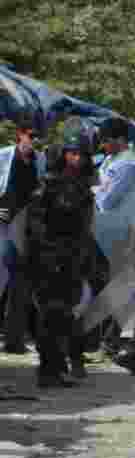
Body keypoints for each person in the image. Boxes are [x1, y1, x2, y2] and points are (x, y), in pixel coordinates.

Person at [25, 119, 96, 387]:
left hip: (73, 258)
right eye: (71, 153)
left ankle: (56, 367)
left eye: (80, 154)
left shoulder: (81, 185)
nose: (76, 159)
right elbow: (35, 224)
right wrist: (48, 253)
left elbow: (84, 225)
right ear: (62, 154)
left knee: (65, 314)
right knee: (51, 314)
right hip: (51, 259)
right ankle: (48, 371)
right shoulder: (49, 185)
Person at [91, 117, 135, 358]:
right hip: (103, 231)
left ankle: (110, 341)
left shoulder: (128, 165)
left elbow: (107, 200)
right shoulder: (111, 161)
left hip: (120, 232)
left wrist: (92, 190)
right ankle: (101, 340)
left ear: (121, 140)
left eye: (106, 141)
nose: (103, 146)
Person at [1, 112, 46, 354]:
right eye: (31, 135)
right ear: (20, 135)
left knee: (21, 283)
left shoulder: (40, 160)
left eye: (38, 137)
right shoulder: (4, 156)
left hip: (28, 229)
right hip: (4, 225)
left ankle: (14, 339)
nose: (34, 140)